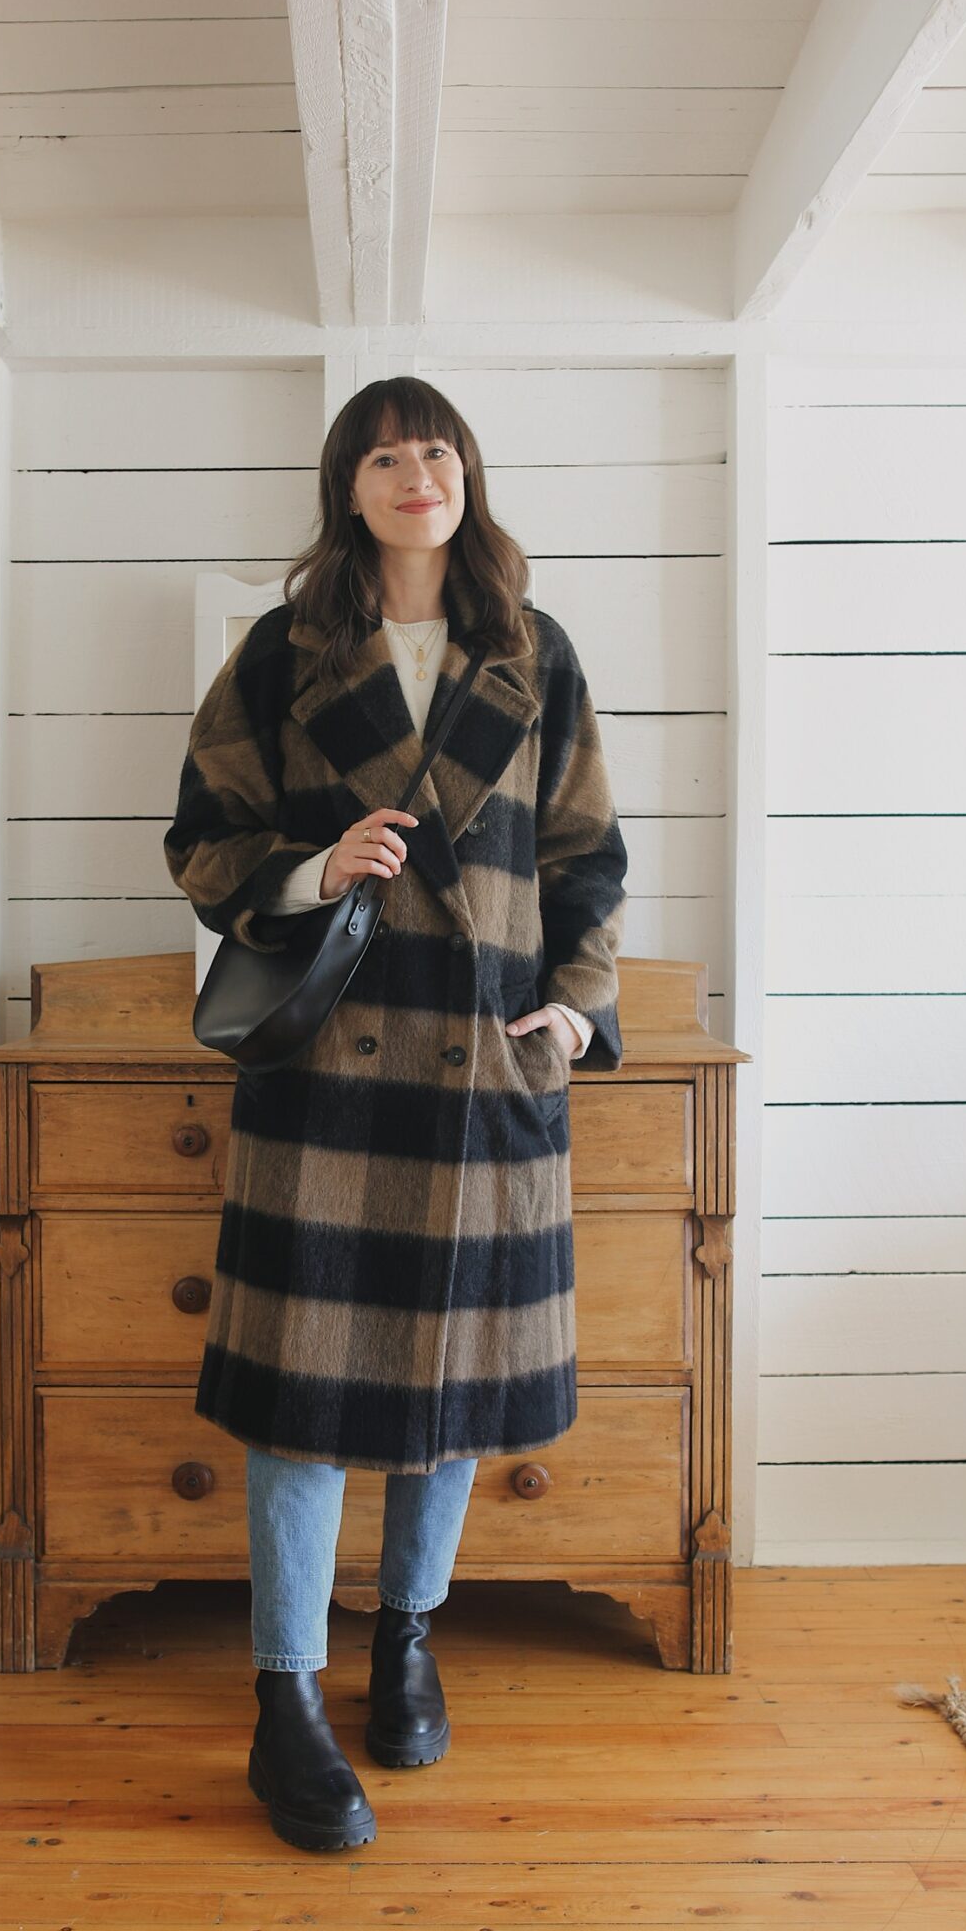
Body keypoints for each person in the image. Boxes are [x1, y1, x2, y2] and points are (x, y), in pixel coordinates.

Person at [164, 376, 628, 1853]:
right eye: (383, 455)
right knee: (299, 1414)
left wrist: (577, 1002)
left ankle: (403, 1643)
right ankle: (284, 1705)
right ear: (347, 488)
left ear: (464, 476)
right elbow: (201, 836)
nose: (412, 473)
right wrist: (312, 868)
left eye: (434, 450)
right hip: (328, 1083)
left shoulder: (531, 653)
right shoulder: (281, 652)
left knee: (446, 1408)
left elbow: (585, 853)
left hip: (488, 1071)